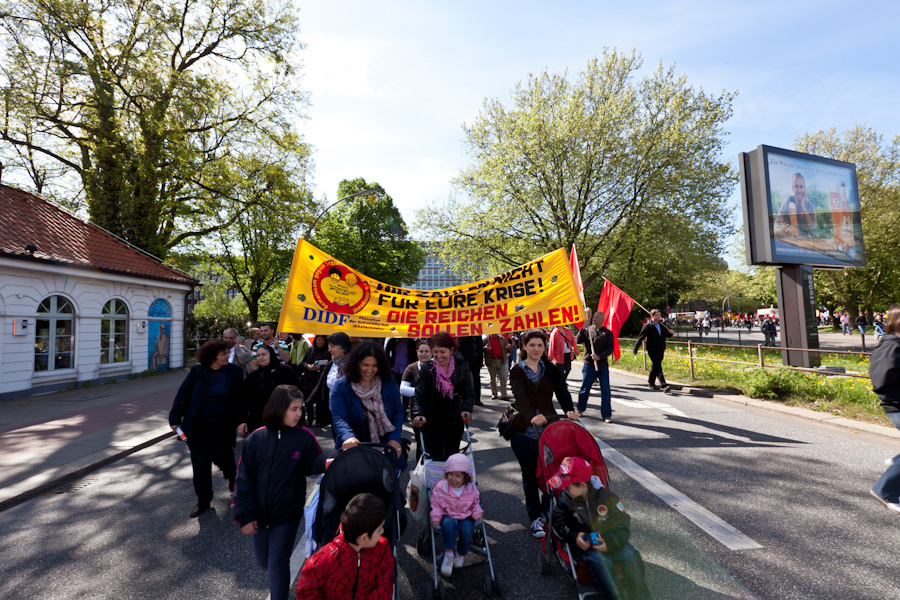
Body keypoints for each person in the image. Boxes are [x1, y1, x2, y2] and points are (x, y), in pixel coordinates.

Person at [233, 386, 328, 600]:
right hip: (258, 515)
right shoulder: (256, 439)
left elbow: (313, 463)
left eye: (300, 409)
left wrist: (335, 459)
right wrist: (245, 514)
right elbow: (243, 479)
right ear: (278, 408)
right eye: (293, 409)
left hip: (287, 515)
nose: (299, 414)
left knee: (277, 563)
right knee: (264, 562)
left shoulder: (304, 437)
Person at [507, 328, 579, 538]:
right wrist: (531, 416)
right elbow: (520, 398)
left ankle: (548, 509)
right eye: (532, 345)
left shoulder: (550, 368)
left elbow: (562, 390)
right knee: (530, 475)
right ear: (524, 347)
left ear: (544, 347)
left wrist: (569, 410)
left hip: (549, 429)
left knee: (552, 473)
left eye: (540, 345)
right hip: (524, 430)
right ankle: (535, 516)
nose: (536, 349)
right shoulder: (517, 370)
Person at [549, 457, 651, 600]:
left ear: (583, 486)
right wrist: (574, 536)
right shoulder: (566, 499)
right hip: (585, 544)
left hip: (611, 538)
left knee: (631, 556)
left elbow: (622, 523)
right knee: (601, 561)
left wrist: (609, 543)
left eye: (568, 486)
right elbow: (558, 521)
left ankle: (640, 595)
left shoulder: (607, 497)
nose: (564, 489)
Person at [168, 339, 245, 517]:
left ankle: (232, 478)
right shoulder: (197, 371)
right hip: (197, 426)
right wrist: (174, 419)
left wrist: (242, 420)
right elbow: (183, 394)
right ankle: (203, 500)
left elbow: (240, 399)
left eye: (228, 353)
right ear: (212, 357)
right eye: (223, 354)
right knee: (200, 465)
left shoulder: (235, 372)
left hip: (222, 426)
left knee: (223, 458)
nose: (228, 356)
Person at [296, 493, 394, 600]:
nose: (383, 531)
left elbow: (384, 586)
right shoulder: (325, 558)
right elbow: (307, 593)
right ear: (363, 538)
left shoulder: (382, 549)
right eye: (379, 529)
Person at [330, 340, 406, 469]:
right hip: (353, 450)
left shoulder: (388, 382)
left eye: (374, 365)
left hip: (385, 447)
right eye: (365, 365)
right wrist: (349, 437)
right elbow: (339, 418)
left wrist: (395, 437)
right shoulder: (342, 386)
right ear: (356, 363)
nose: (369, 370)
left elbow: (398, 412)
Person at [411, 333, 475, 461]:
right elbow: (418, 395)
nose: (439, 356)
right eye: (435, 352)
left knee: (451, 457)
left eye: (443, 352)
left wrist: (466, 408)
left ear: (451, 350)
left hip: (454, 420)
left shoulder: (462, 366)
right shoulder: (426, 368)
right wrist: (418, 414)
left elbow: (468, 393)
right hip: (431, 421)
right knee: (432, 457)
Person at [430, 453, 484, 577]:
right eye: (450, 474)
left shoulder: (470, 489)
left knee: (467, 529)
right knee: (447, 524)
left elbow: (476, 504)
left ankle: (461, 553)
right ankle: (449, 555)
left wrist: (478, 515)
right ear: (446, 474)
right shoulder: (441, 488)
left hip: (466, 516)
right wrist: (436, 519)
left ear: (465, 477)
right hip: (448, 515)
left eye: (458, 476)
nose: (453, 479)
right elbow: (436, 505)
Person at [870, 304, 900, 514]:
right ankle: (885, 490)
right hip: (897, 406)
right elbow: (881, 379)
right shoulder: (892, 346)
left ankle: (897, 461)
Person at [243, 344, 302, 434]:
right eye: (258, 355)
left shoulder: (285, 371)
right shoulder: (253, 377)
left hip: (282, 420)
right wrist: (243, 420)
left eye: (264, 354)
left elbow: (297, 392)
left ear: (271, 354)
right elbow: (245, 400)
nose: (261, 358)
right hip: (258, 422)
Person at [307, 332, 352, 428]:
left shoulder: (354, 366)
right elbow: (320, 387)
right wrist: (305, 403)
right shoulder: (331, 364)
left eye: (332, 347)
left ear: (342, 348)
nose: (329, 350)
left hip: (351, 415)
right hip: (334, 414)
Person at [576, 310, 615, 421]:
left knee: (606, 391)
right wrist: (583, 328)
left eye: (597, 318)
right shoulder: (588, 330)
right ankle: (580, 409)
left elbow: (610, 349)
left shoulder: (607, 333)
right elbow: (578, 340)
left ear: (602, 320)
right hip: (589, 364)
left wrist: (600, 356)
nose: (594, 319)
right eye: (594, 317)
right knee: (585, 388)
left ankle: (606, 415)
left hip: (602, 365)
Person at [633, 310, 674, 391]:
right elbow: (640, 337)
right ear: (652, 316)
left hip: (661, 348)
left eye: (659, 315)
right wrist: (635, 349)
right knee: (657, 365)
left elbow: (667, 334)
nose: (659, 317)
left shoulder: (662, 325)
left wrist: (671, 333)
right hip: (652, 349)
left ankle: (651, 382)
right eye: (657, 315)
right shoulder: (647, 326)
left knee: (655, 365)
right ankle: (663, 384)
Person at [774, 172, 818, 238]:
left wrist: (803, 207)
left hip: (805, 244)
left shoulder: (810, 206)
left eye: (801, 186)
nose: (799, 190)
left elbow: (814, 233)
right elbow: (775, 227)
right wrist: (782, 231)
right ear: (792, 188)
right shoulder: (787, 203)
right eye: (796, 186)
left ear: (804, 188)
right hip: (791, 245)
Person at [299, 335, 330, 425]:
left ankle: (319, 420)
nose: (320, 342)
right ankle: (310, 418)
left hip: (320, 379)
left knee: (320, 401)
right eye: (318, 340)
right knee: (308, 400)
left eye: (322, 340)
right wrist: (307, 366)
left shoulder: (327, 351)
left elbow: (330, 363)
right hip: (309, 379)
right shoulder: (310, 350)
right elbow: (303, 362)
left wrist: (321, 367)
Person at [482, 333, 512, 400]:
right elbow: (481, 349)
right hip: (491, 361)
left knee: (503, 378)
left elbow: (509, 346)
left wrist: (509, 347)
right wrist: (485, 348)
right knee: (493, 379)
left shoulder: (502, 339)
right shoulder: (485, 339)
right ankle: (494, 394)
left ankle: (504, 395)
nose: (495, 334)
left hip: (501, 360)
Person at [458, 335, 485, 406]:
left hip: (477, 360)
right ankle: (465, 399)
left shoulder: (478, 335)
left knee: (477, 381)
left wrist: (481, 360)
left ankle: (477, 399)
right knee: (466, 381)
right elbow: (459, 346)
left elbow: (480, 347)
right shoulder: (465, 334)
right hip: (467, 361)